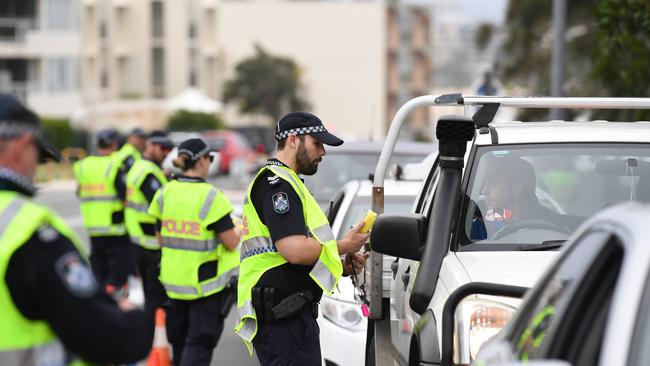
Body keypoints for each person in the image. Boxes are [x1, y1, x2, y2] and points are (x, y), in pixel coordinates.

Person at [0, 94, 163, 365]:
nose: (34, 169)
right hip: (119, 234)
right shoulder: (27, 229)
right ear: (21, 145)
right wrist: (134, 317)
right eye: (36, 157)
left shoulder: (84, 166)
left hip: (97, 233)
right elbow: (109, 336)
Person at [234, 112, 370, 365]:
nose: (323, 151)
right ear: (294, 140)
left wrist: (339, 265)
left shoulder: (290, 183)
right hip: (282, 320)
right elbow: (294, 251)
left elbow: (297, 255)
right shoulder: (278, 185)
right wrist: (343, 246)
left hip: (292, 316)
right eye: (317, 143)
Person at [148, 138, 240, 366]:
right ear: (200, 160)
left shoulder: (165, 192)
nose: (211, 163)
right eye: (210, 158)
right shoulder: (211, 197)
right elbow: (230, 242)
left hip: (172, 284)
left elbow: (160, 237)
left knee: (179, 344)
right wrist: (240, 229)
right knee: (198, 345)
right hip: (204, 288)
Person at [74, 129, 135, 298]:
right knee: (120, 266)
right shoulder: (114, 165)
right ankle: (116, 296)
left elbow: (80, 193)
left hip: (93, 226)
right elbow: (125, 199)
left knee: (98, 267)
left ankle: (101, 297)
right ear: (115, 145)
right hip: (115, 226)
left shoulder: (82, 166)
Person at [125, 130, 174, 298]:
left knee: (150, 296)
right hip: (150, 242)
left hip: (140, 238)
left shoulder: (141, 166)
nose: (166, 153)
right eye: (163, 148)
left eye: (169, 149)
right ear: (150, 145)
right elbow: (161, 205)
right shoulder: (148, 172)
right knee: (155, 298)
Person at [470, 157, 567, 240]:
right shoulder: (475, 222)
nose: (484, 191)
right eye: (485, 184)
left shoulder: (549, 222)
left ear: (516, 188)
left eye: (493, 183)